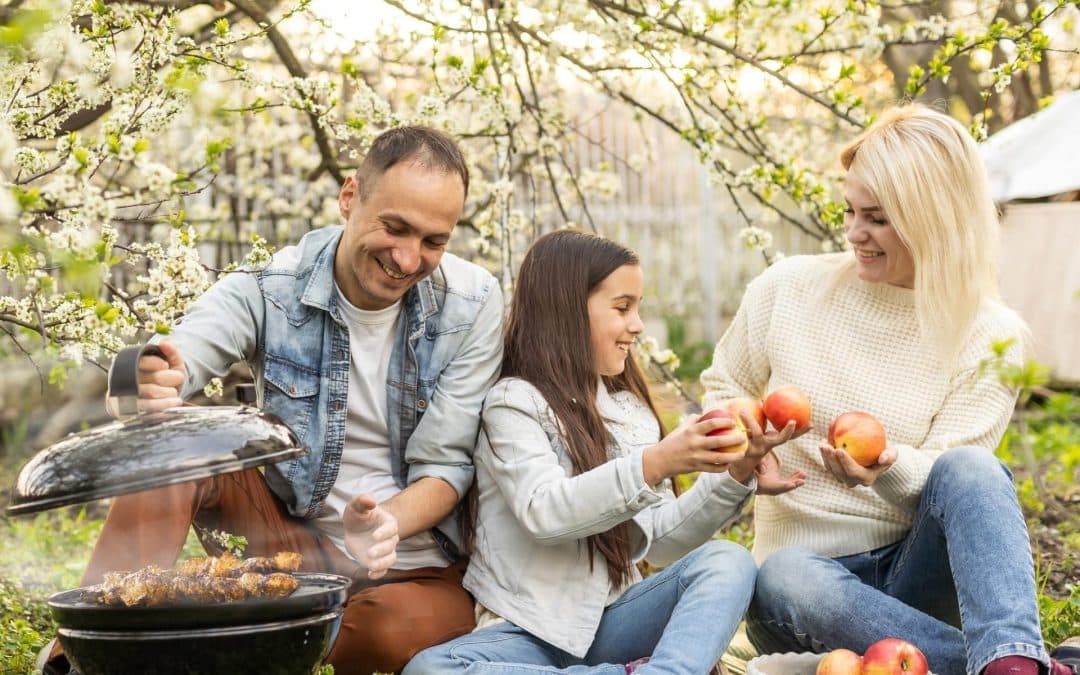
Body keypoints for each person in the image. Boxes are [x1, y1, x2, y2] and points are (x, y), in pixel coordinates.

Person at [42, 126, 504, 675]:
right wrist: (145, 379)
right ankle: (89, 649)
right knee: (176, 437)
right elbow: (177, 357)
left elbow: (447, 467)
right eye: (395, 228)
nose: (407, 259)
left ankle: (261, 639)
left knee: (375, 635)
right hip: (290, 544)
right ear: (351, 196)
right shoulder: (270, 288)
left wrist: (384, 524)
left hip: (414, 566)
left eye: (433, 241)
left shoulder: (471, 304)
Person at [700, 104, 1077, 675]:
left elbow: (956, 485)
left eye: (876, 218)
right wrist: (750, 450)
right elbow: (723, 384)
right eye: (850, 211)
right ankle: (1021, 666)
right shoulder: (788, 290)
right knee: (782, 572)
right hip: (805, 593)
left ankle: (1009, 662)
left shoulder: (988, 334)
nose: (854, 233)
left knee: (973, 468)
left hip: (916, 578)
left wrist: (887, 468)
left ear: (931, 218)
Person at [405, 230, 804, 675]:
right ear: (567, 311)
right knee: (430, 669)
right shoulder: (514, 404)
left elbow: (663, 541)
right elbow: (546, 512)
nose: (637, 325)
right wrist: (656, 464)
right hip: (528, 630)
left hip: (616, 620)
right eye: (622, 308)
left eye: (638, 309)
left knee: (726, 560)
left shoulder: (631, 414)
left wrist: (737, 473)